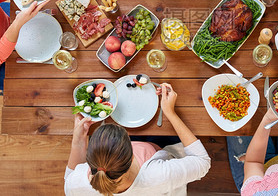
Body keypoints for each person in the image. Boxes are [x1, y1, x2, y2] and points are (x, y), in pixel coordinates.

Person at [64, 83, 211, 195]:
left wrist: (78, 139)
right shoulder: (158, 176)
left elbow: (70, 177)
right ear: (131, 154)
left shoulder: (77, 185)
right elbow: (203, 161)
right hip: (162, 156)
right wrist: (170, 112)